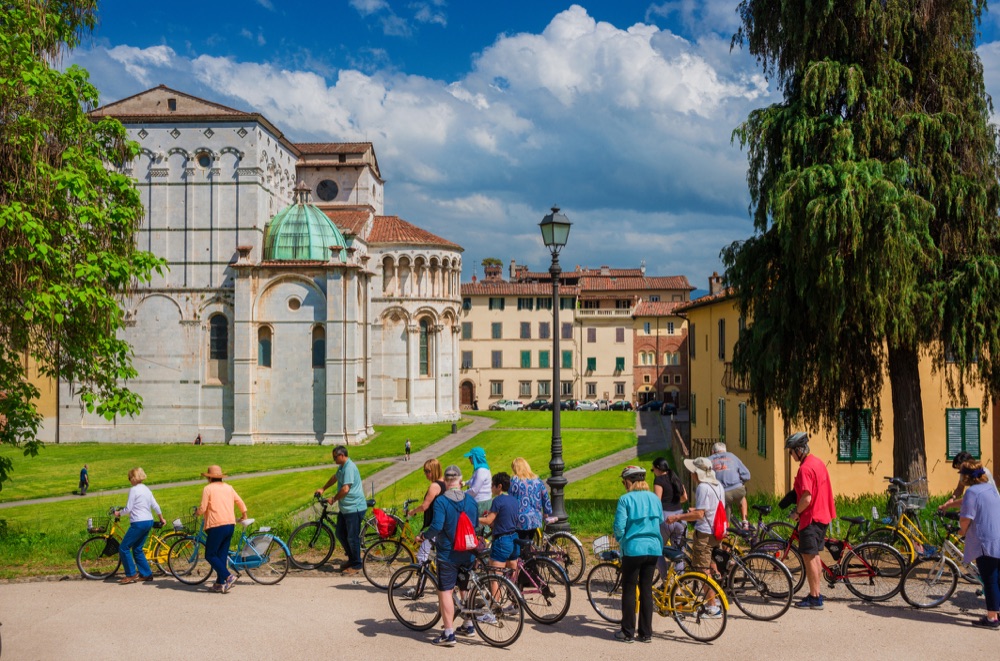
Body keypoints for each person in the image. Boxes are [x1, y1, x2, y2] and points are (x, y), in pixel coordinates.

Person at [416, 464, 480, 646]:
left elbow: (436, 526)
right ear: (460, 480)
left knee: (445, 590)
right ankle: (468, 624)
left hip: (447, 553)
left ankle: (448, 633)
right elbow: (475, 525)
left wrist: (423, 535)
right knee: (464, 587)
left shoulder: (441, 501)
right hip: (468, 552)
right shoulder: (471, 501)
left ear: (445, 481)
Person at [667, 457, 725, 619]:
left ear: (697, 474)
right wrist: (694, 510)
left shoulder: (702, 488)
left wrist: (678, 517)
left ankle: (712, 607)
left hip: (705, 534)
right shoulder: (717, 485)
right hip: (716, 531)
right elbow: (709, 509)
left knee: (701, 569)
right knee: (711, 565)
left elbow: (699, 514)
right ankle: (714, 599)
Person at [785, 431, 836, 610]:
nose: (790, 455)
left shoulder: (805, 468)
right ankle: (816, 593)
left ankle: (815, 598)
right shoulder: (817, 462)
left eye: (791, 452)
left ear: (798, 450)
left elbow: (807, 498)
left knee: (809, 557)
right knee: (814, 557)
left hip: (811, 517)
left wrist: (796, 513)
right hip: (823, 514)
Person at [613, 466, 663, 643]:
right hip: (653, 548)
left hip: (634, 548)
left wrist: (621, 539)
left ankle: (627, 632)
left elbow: (619, 526)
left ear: (628, 481)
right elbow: (661, 520)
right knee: (646, 590)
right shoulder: (654, 499)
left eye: (623, 481)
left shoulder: (625, 500)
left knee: (629, 589)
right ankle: (646, 633)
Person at [958, 459, 1000, 629]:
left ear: (967, 477)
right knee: (998, 579)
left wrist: (962, 530)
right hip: (998, 536)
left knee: (989, 580)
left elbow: (966, 517)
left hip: (985, 540)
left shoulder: (972, 492)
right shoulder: (991, 488)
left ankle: (992, 619)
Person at [315, 445, 366, 574]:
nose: (334, 460)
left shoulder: (349, 467)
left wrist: (334, 499)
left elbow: (345, 489)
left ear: (342, 455)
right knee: (340, 534)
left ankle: (357, 565)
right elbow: (335, 477)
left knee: (352, 537)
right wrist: (323, 488)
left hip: (354, 507)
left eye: (335, 457)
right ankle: (352, 559)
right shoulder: (342, 467)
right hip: (346, 509)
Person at [196, 465, 247, 593]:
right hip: (230, 524)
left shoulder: (208, 489)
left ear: (209, 478)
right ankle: (219, 583)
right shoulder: (229, 488)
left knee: (210, 554)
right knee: (221, 555)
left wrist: (197, 513)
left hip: (216, 525)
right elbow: (239, 501)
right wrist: (244, 514)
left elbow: (202, 508)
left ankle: (228, 576)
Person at [117, 467, 166, 584]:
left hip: (138, 522)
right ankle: (146, 574)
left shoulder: (134, 490)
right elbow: (155, 505)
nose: (129, 480)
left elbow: (128, 508)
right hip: (148, 521)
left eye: (130, 478)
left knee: (124, 548)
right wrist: (161, 518)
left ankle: (131, 574)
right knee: (137, 549)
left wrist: (118, 513)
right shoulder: (147, 490)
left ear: (134, 478)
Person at [652, 456, 687, 577]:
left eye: (653, 470)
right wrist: (674, 502)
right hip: (680, 516)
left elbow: (657, 501)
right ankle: (678, 586)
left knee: (657, 549)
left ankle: (665, 580)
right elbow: (684, 498)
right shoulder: (675, 478)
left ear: (657, 468)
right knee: (678, 552)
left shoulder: (659, 480)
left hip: (666, 518)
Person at [406, 458, 446, 563]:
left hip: (433, 524)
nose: (426, 474)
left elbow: (425, 506)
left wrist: (413, 511)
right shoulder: (445, 483)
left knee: (422, 556)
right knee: (432, 553)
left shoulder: (434, 486)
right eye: (425, 471)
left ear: (434, 470)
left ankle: (423, 576)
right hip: (442, 523)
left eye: (428, 471)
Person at [479, 472, 520, 574]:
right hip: (514, 537)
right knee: (512, 574)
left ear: (499, 486)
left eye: (492, 485)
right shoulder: (513, 500)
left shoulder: (497, 500)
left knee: (495, 576)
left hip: (502, 540)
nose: (491, 488)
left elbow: (488, 520)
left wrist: (474, 519)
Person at [510, 457, 552, 542]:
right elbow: (545, 497)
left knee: (521, 543)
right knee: (529, 541)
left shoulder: (514, 481)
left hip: (520, 519)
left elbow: (510, 500)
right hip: (535, 517)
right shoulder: (537, 480)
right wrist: (547, 512)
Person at [708, 442, 751, 525]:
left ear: (713, 451)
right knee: (742, 497)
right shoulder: (732, 456)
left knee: (726, 506)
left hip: (723, 492)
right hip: (738, 489)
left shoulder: (709, 459)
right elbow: (747, 475)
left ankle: (726, 529)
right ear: (725, 450)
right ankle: (745, 521)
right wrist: (739, 482)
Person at [463, 447, 493, 522]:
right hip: (482, 501)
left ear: (475, 457)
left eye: (470, 457)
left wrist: (461, 494)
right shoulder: (480, 469)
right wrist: (464, 483)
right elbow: (473, 480)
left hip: (481, 503)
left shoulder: (481, 471)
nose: (469, 459)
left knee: (478, 525)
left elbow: (474, 490)